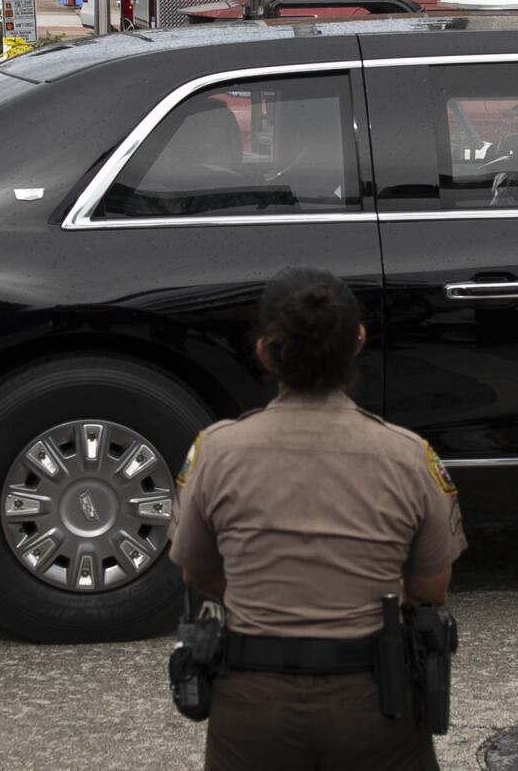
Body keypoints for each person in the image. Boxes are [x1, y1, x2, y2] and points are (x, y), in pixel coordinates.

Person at [170, 268, 466, 771]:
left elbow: (197, 573)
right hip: (373, 698)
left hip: (251, 701)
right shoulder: (408, 455)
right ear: (358, 342)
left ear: (264, 352)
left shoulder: (216, 451)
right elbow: (431, 587)